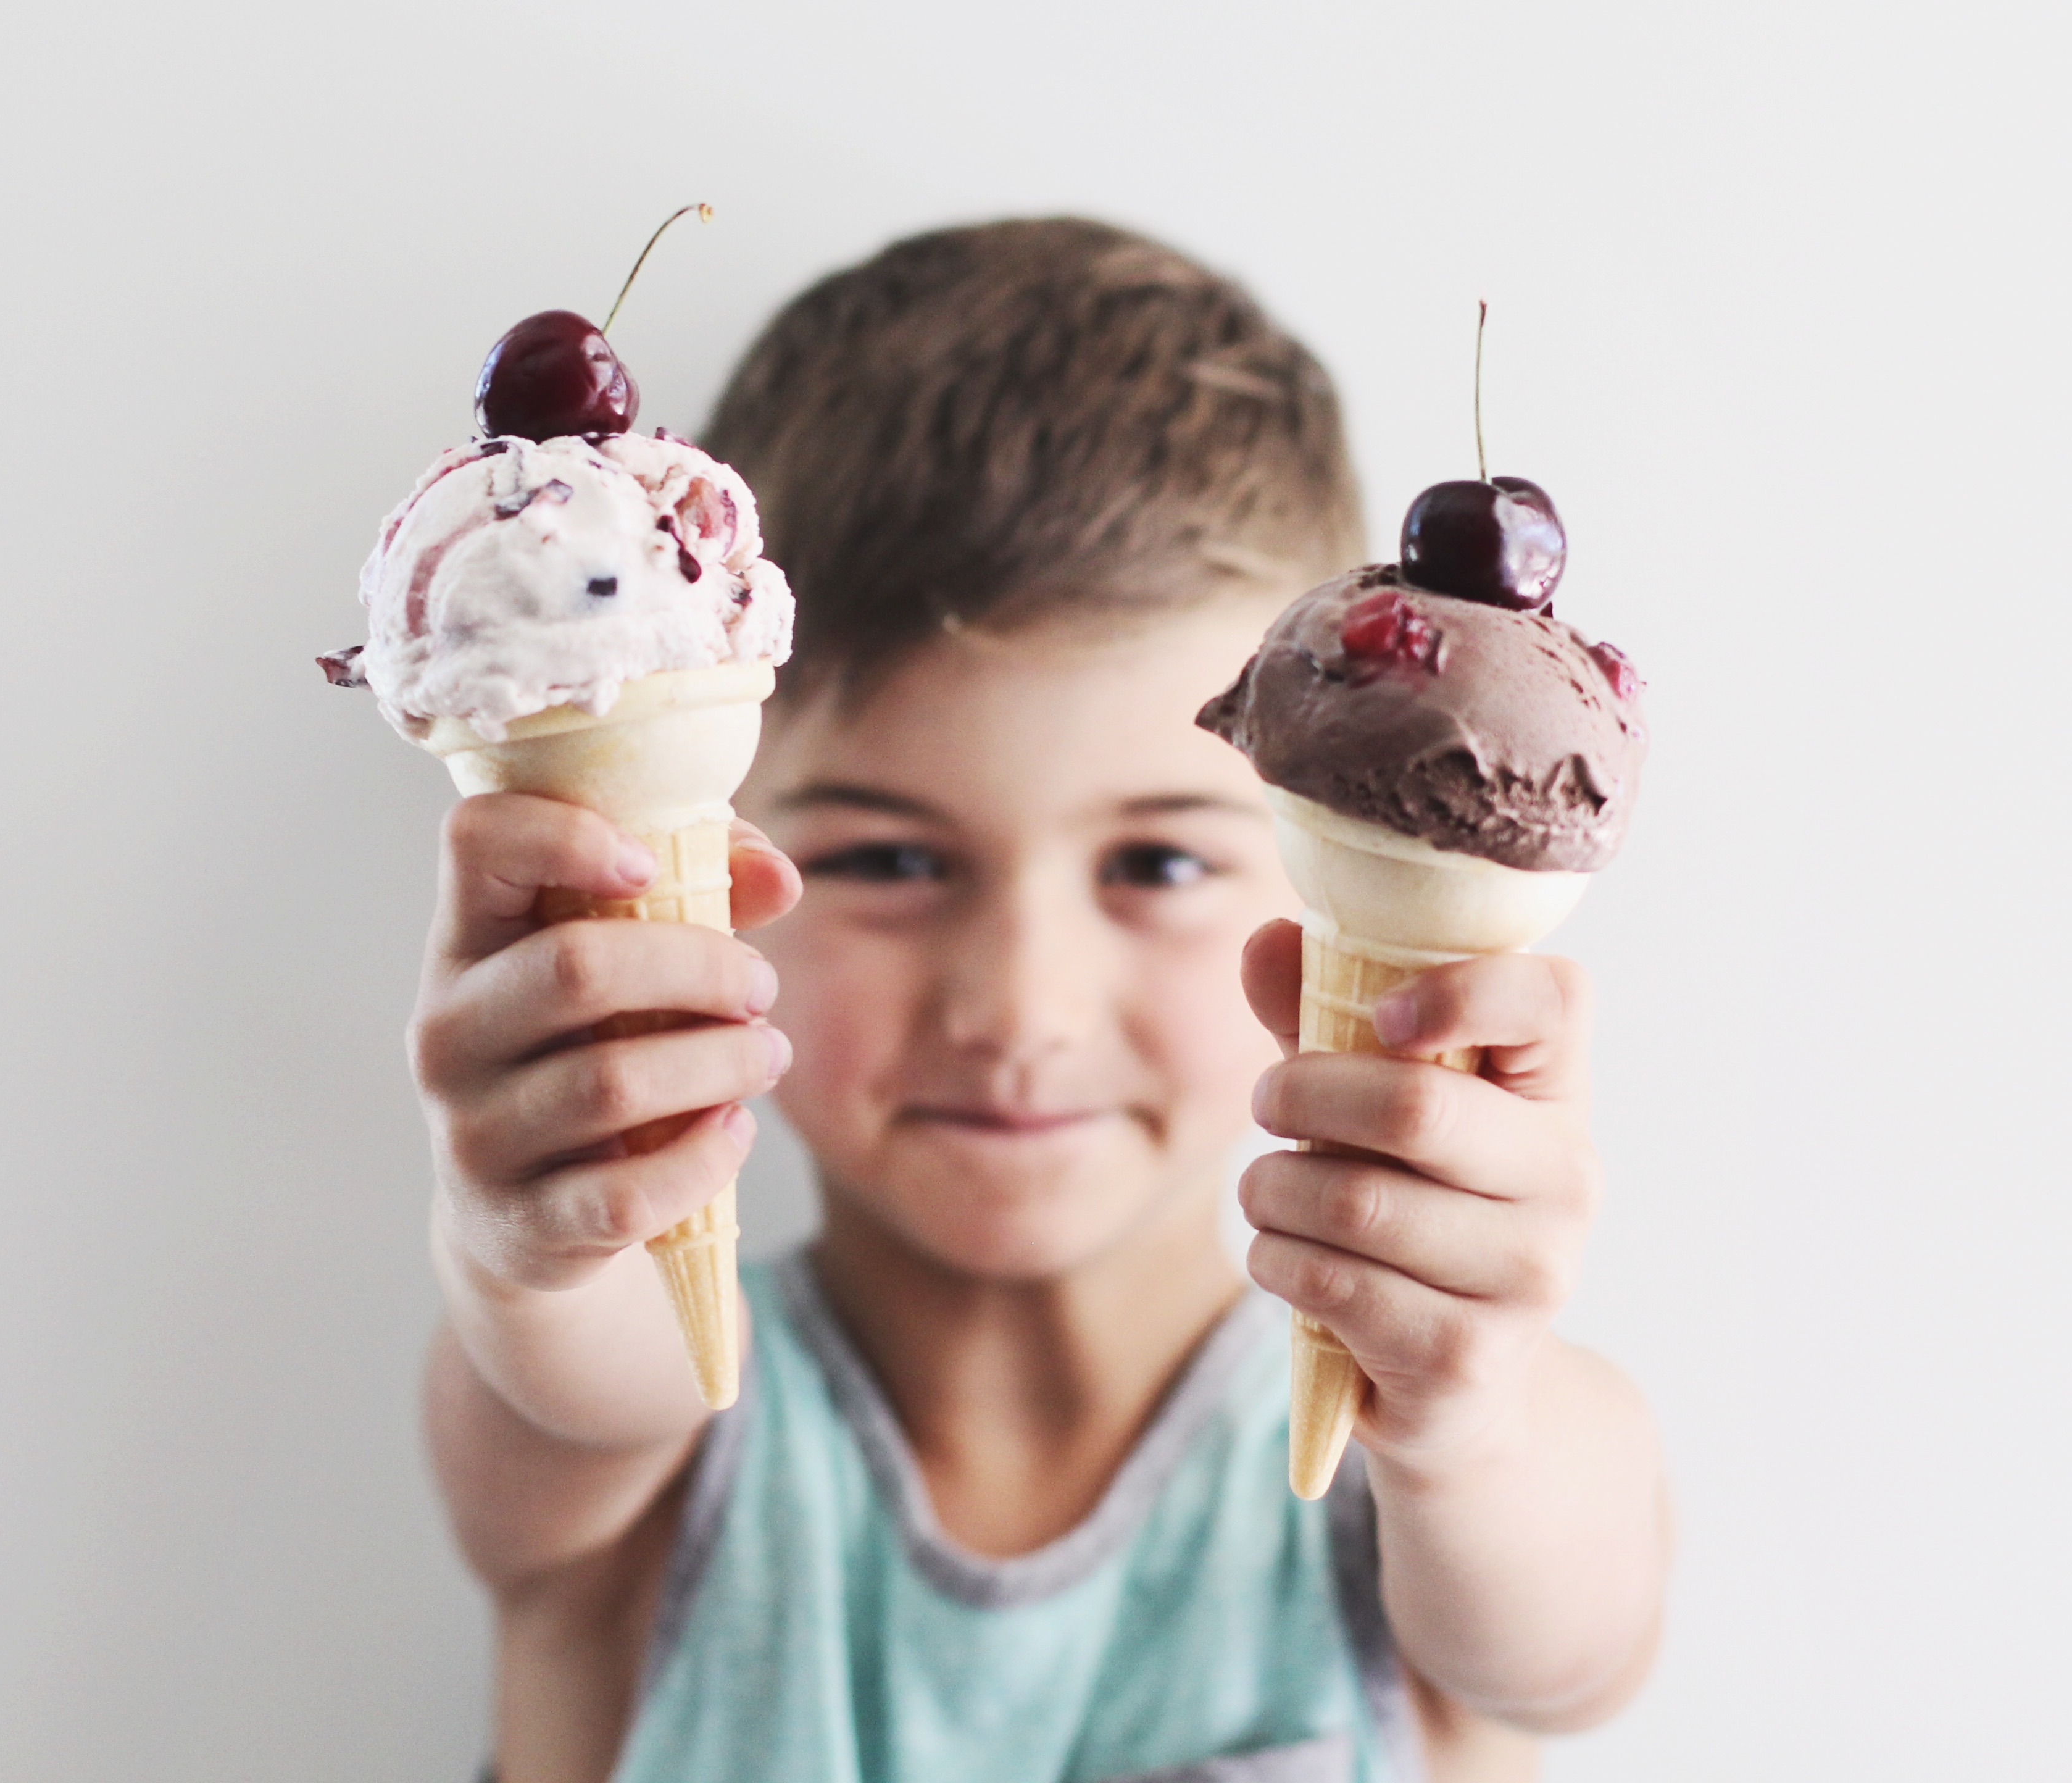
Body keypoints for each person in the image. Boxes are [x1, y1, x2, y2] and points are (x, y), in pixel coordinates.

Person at [412, 219, 1670, 1783]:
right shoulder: (647, 1457)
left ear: (1316, 872)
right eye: (889, 858)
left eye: (1155, 862)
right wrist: (531, 1239)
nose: (1021, 1008)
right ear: (722, 854)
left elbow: (1567, 1650)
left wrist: (1469, 1411)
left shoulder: (1428, 1474)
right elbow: (568, 1375)